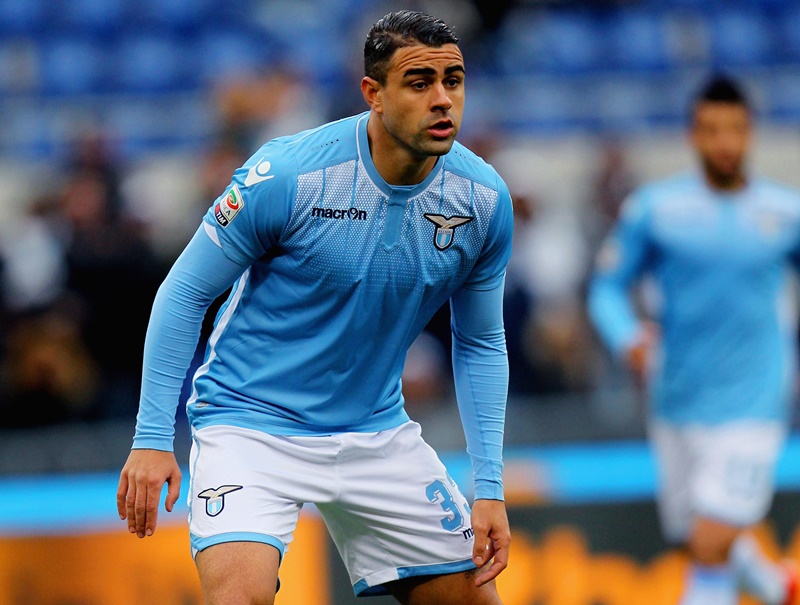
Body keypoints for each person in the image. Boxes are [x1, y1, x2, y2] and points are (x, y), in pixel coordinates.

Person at [117, 11, 512, 605]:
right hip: (250, 424)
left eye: (452, 81)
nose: (441, 100)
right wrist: (151, 438)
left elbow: (480, 341)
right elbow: (184, 292)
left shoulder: (482, 200)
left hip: (376, 432)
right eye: (419, 82)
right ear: (373, 94)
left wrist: (490, 485)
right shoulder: (289, 174)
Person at [589, 75, 798, 605]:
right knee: (695, 538)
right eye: (712, 130)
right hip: (676, 399)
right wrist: (626, 336)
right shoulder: (656, 210)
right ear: (692, 134)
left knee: (708, 541)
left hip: (754, 405)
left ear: (750, 133)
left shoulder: (784, 213)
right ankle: (778, 587)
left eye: (735, 130)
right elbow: (606, 288)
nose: (724, 143)